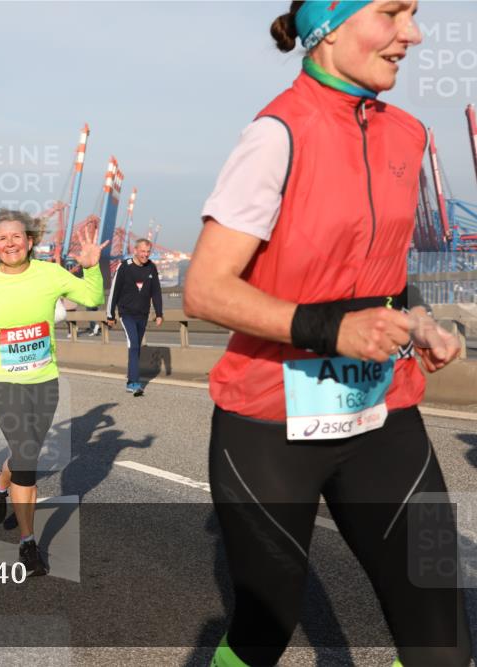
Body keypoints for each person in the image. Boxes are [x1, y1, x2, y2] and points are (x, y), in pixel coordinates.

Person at [183, 3, 469, 665]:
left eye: (416, 14)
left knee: (441, 637)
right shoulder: (278, 132)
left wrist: (417, 319)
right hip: (271, 423)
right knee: (264, 628)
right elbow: (205, 288)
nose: (414, 34)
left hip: (384, 411)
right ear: (329, 24)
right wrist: (328, 327)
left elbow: (384, 270)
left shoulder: (412, 135)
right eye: (393, 12)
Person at [0, 210, 107, 577]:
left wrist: (91, 266)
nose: (10, 243)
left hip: (43, 380)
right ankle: (28, 542)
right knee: (28, 456)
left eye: (17, 236)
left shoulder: (50, 273)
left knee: (24, 452)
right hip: (2, 381)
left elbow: (92, 297)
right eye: (2, 238)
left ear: (30, 241)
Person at [106, 238, 164, 396]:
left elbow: (156, 292)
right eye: (143, 251)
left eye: (148, 252)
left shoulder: (151, 267)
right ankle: (133, 382)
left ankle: (131, 378)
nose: (146, 255)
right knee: (134, 344)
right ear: (135, 251)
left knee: (136, 346)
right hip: (127, 314)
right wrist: (110, 314)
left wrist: (159, 313)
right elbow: (114, 292)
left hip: (143, 314)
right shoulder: (124, 267)